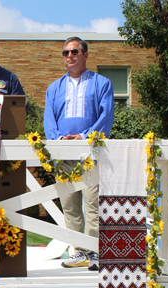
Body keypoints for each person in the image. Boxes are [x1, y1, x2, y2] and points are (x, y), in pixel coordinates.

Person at [44, 37, 114, 270]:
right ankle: (78, 251)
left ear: (85, 55)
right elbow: (49, 120)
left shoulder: (101, 83)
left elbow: (106, 116)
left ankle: (94, 252)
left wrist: (84, 136)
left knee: (93, 203)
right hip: (63, 153)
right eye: (65, 52)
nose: (69, 56)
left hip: (91, 152)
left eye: (74, 51)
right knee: (70, 204)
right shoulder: (54, 88)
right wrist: (58, 139)